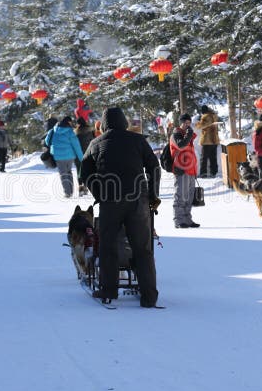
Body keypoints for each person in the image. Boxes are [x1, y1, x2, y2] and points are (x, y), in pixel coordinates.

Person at [80, 107, 161, 307]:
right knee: (142, 249)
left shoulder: (96, 143)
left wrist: (98, 192)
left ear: (104, 124)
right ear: (124, 122)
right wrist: (153, 195)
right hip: (138, 201)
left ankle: (109, 290)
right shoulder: (138, 140)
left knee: (108, 246)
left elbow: (85, 172)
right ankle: (149, 296)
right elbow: (154, 167)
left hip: (110, 201)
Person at [170, 113, 199, 228]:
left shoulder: (188, 135)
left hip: (190, 169)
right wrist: (189, 135)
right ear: (180, 123)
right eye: (185, 123)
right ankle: (178, 220)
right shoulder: (176, 134)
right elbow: (181, 145)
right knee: (180, 196)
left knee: (189, 196)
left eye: (189, 123)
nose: (187, 125)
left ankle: (187, 219)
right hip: (181, 169)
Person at [45, 116, 84, 197]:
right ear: (67, 123)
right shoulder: (70, 132)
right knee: (69, 171)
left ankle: (67, 192)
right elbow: (76, 145)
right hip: (70, 156)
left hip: (58, 156)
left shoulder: (53, 130)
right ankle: (71, 191)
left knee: (63, 173)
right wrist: (81, 158)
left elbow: (47, 141)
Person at [195, 105, 220, 178]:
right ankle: (214, 173)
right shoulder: (214, 116)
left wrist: (197, 123)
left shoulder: (206, 116)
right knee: (213, 157)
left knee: (204, 158)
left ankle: (203, 173)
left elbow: (201, 126)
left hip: (207, 140)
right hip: (214, 140)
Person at [74, 117, 96, 196]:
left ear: (78, 124)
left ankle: (81, 188)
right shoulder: (91, 131)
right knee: (88, 170)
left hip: (78, 155)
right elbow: (94, 140)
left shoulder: (75, 133)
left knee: (79, 172)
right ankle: (86, 186)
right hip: (89, 154)